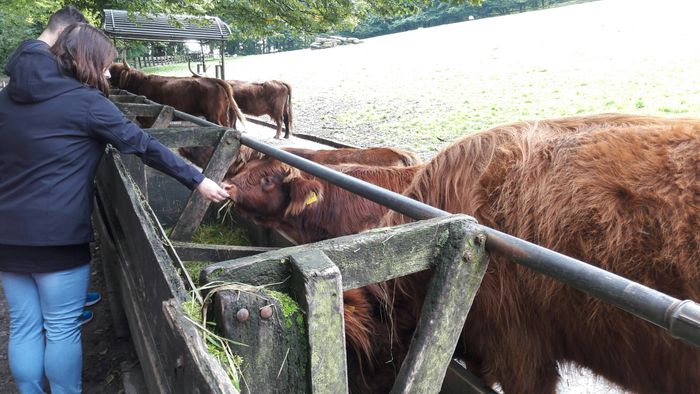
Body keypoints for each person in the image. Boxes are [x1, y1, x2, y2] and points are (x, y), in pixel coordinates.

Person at [0, 22, 229, 394]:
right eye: (105, 64)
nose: (108, 73)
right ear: (86, 61)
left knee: (25, 325)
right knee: (61, 326)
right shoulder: (88, 103)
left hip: (7, 235)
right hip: (58, 238)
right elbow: (144, 145)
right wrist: (198, 179)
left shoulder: (8, 98)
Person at [3, 6, 101, 325]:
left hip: (10, 226)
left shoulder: (12, 87)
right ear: (65, 35)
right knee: (60, 326)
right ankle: (63, 303)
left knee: (23, 324)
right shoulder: (66, 85)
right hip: (58, 228)